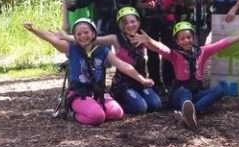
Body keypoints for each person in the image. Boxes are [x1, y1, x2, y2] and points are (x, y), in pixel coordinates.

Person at [23, 18, 153, 126]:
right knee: (98, 117)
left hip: (98, 92)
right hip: (79, 93)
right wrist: (34, 29)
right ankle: (72, 113)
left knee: (117, 113)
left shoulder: (102, 51)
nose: (83, 36)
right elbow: (52, 39)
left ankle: (94, 107)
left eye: (86, 32)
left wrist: (142, 79)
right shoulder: (71, 49)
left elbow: (123, 65)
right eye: (78, 34)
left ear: (93, 33)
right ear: (74, 37)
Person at [136, 21, 239, 131]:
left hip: (196, 93)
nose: (186, 41)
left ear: (193, 38)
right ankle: (188, 110)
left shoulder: (203, 51)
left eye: (189, 37)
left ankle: (191, 112)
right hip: (180, 95)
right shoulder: (175, 55)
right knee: (185, 92)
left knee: (220, 90)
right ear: (177, 42)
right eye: (182, 39)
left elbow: (222, 43)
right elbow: (161, 48)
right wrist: (150, 40)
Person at [137, 0, 196, 93]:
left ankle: (169, 81)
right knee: (152, 51)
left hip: (168, 18)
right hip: (150, 18)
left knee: (169, 51)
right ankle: (156, 82)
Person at [98, 7, 170, 115]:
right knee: (141, 108)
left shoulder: (141, 37)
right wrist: (68, 37)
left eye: (133, 21)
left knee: (156, 104)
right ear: (121, 25)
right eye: (125, 23)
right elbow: (93, 40)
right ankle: (117, 102)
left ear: (138, 22)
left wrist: (149, 40)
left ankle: (136, 98)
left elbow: (166, 51)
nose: (130, 25)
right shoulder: (115, 38)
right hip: (123, 84)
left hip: (141, 83)